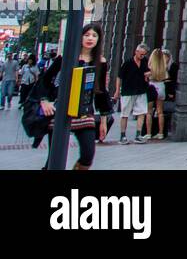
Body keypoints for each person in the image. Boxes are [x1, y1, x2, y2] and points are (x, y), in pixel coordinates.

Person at [35, 24, 110, 170]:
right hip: (61, 109)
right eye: (87, 35)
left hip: (84, 111)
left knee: (88, 154)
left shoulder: (101, 62)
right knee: (54, 157)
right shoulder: (65, 57)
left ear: (99, 40)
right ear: (80, 37)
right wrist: (45, 101)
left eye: (94, 36)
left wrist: (103, 120)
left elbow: (101, 91)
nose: (90, 38)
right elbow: (45, 79)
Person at [114, 43, 151, 143]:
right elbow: (119, 77)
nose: (142, 56)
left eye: (144, 54)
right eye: (141, 54)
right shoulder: (128, 63)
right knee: (125, 114)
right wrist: (117, 91)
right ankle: (122, 136)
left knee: (142, 112)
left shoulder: (145, 62)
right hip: (128, 91)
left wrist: (148, 74)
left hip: (141, 90)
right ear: (136, 52)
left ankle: (138, 135)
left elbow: (148, 73)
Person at [146, 48, 167, 140]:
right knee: (160, 112)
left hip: (152, 86)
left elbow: (146, 76)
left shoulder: (150, 66)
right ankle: (161, 133)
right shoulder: (163, 67)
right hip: (161, 86)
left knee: (149, 112)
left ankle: (148, 133)